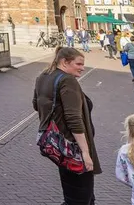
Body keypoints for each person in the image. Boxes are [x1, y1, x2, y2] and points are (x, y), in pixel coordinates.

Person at [33, 47, 100, 205]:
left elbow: (37, 105)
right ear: (64, 62)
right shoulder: (67, 80)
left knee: (81, 195)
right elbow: (73, 118)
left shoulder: (43, 76)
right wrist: (85, 152)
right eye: (78, 64)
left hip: (58, 146)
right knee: (79, 198)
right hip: (72, 148)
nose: (82, 68)